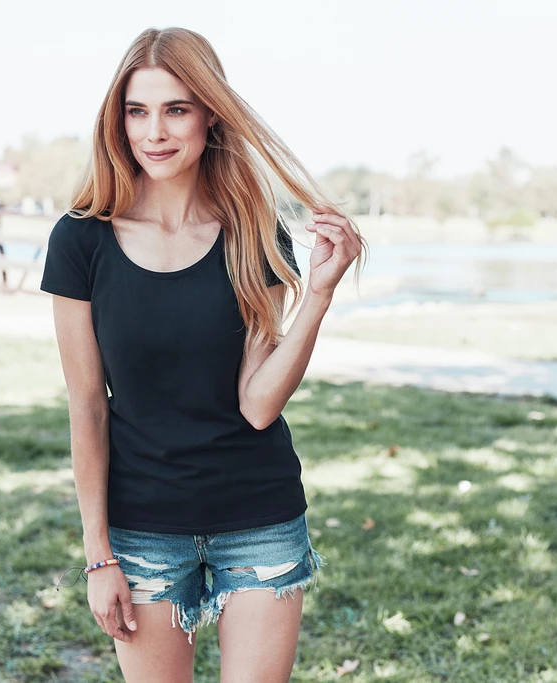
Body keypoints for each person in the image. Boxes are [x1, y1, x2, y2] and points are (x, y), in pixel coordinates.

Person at [41, 26, 365, 683]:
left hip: (259, 516)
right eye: (137, 111)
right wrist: (98, 554)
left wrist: (318, 295)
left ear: (210, 115)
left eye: (176, 109)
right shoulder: (81, 240)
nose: (154, 132)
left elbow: (258, 405)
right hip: (142, 526)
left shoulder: (253, 232)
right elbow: (87, 406)